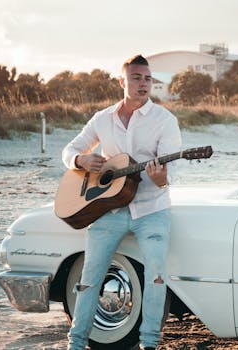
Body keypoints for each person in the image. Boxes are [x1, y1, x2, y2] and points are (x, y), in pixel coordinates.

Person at [62, 54, 182, 350]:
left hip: (152, 210)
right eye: (137, 78)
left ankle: (149, 344)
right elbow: (70, 150)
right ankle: (76, 343)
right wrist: (80, 159)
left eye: (148, 79)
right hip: (107, 208)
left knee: (156, 276)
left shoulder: (165, 121)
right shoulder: (102, 119)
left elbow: (172, 174)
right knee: (89, 277)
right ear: (122, 82)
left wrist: (160, 177)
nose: (144, 84)